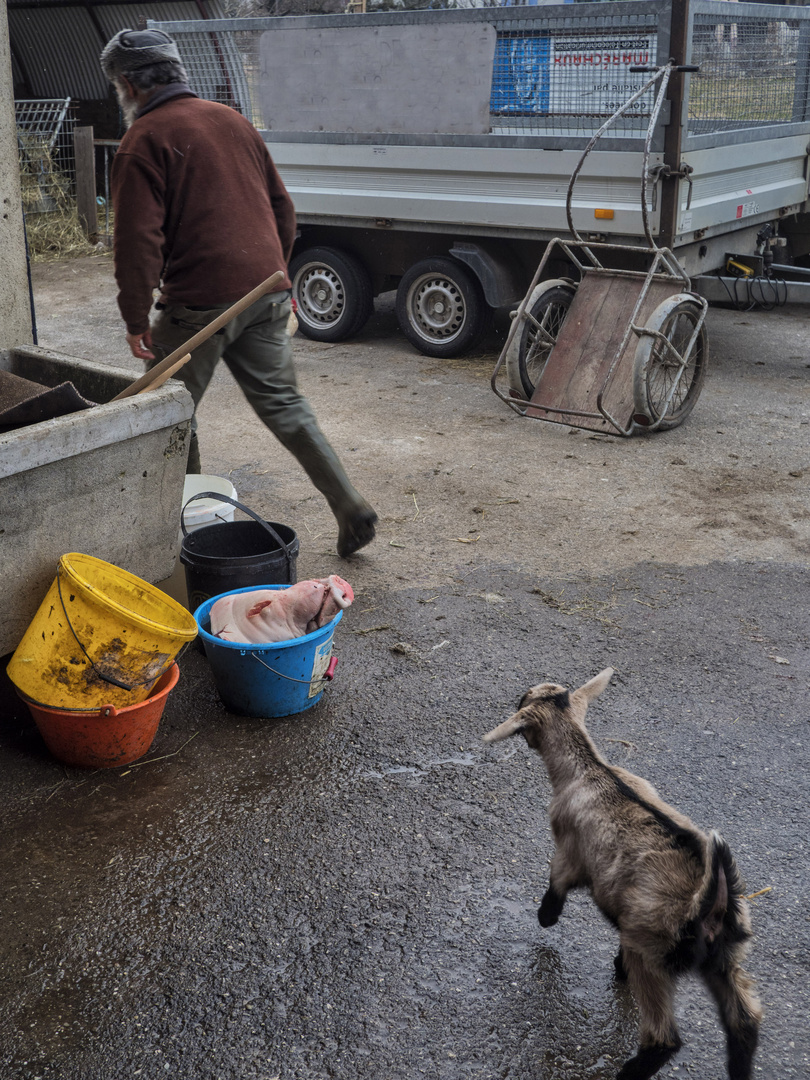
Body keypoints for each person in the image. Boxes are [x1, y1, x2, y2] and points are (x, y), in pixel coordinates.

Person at [99, 28, 377, 558]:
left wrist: (135, 317)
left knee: (166, 415)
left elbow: (137, 242)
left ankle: (176, 534)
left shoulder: (143, 140)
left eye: (117, 86)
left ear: (130, 84)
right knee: (285, 404)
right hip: (264, 292)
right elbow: (283, 209)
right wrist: (277, 275)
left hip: (198, 308)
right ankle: (349, 505)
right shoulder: (232, 120)